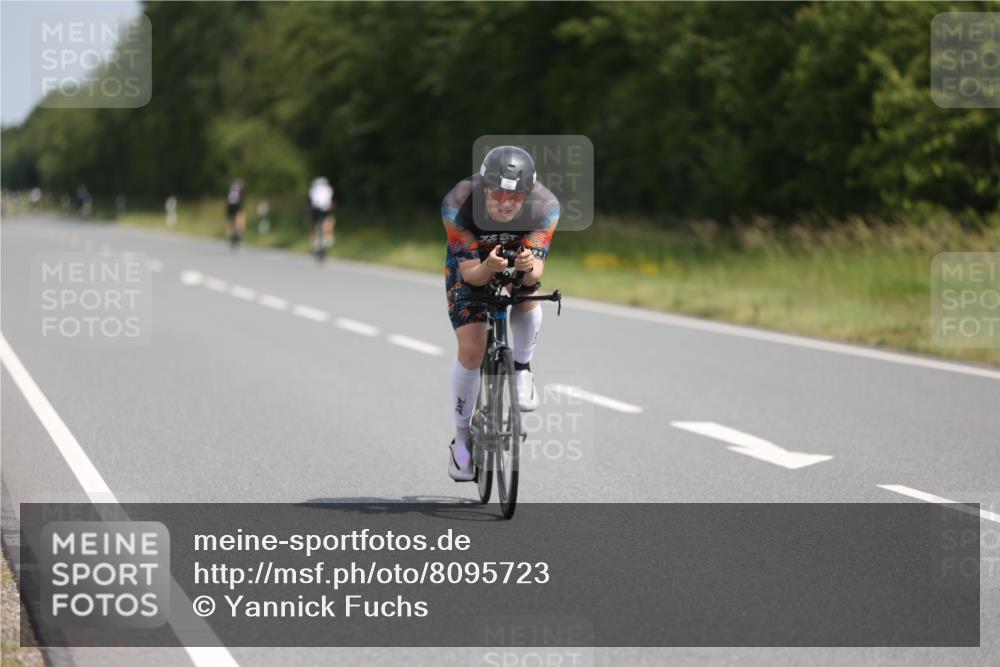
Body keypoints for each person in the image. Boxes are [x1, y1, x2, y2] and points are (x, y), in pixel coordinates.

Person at [441, 146, 559, 481]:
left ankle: (521, 368)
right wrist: (488, 267)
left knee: (527, 295)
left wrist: (527, 266)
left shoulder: (546, 205)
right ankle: (462, 445)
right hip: (472, 263)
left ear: (528, 194)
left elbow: (535, 274)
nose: (506, 204)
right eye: (498, 195)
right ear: (484, 187)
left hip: (515, 256)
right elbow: (470, 275)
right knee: (472, 349)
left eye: (515, 197)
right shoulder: (457, 203)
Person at [308, 177, 335, 252]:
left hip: (316, 210)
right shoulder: (328, 189)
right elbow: (331, 201)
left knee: (313, 224)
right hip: (326, 209)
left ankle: (314, 242)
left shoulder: (313, 189)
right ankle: (328, 237)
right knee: (330, 221)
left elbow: (310, 201)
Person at [226, 179, 246, 248]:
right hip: (238, 207)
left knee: (231, 222)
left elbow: (227, 201)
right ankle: (239, 230)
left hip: (230, 208)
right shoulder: (240, 190)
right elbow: (242, 200)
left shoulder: (230, 189)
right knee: (240, 218)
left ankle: (232, 234)